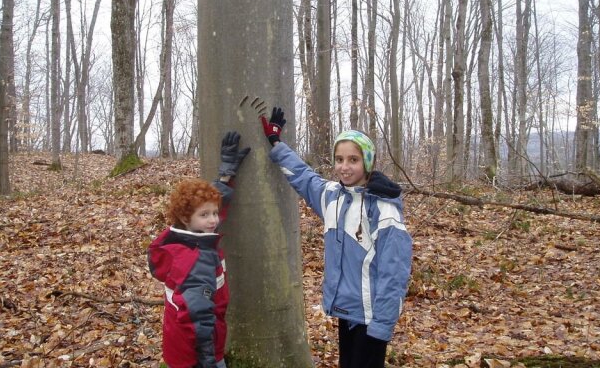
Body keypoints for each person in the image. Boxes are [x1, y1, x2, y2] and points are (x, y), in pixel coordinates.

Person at [260, 107, 412, 368]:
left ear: (367, 161)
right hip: (347, 311)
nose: (344, 167)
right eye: (339, 159)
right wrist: (276, 142)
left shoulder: (383, 209)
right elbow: (304, 177)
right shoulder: (332, 196)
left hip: (372, 318)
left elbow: (394, 273)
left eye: (353, 159)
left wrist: (382, 326)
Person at [148, 131, 250, 368]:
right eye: (205, 215)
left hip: (177, 348)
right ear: (186, 218)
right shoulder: (196, 260)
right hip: (197, 354)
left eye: (214, 212)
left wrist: (225, 176)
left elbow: (210, 207)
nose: (214, 220)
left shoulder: (181, 240)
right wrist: (208, 361)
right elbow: (198, 318)